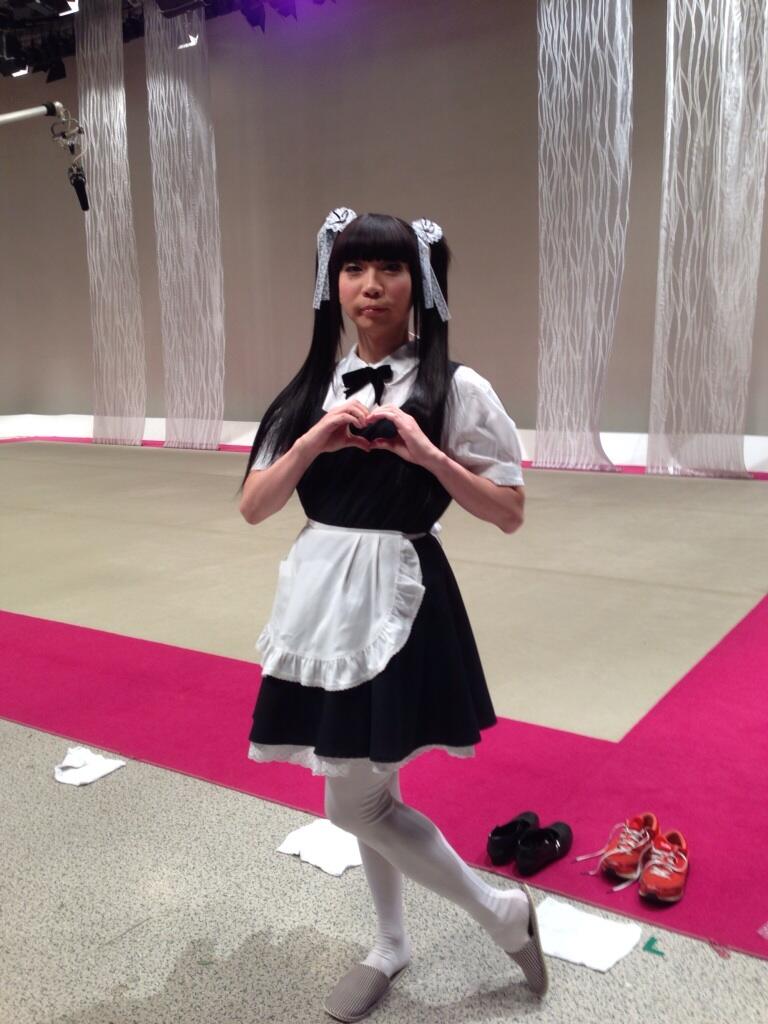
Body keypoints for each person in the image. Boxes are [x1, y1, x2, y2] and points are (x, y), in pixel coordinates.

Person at [238, 209, 548, 1021]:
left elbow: (509, 511)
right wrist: (314, 441)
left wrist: (427, 452)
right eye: (353, 269)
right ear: (331, 283)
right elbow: (254, 505)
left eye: (391, 269)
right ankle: (390, 941)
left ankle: (500, 912)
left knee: (354, 800)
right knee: (363, 774)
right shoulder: (309, 392)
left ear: (422, 284)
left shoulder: (456, 389)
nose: (370, 287)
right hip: (321, 598)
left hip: (401, 595)